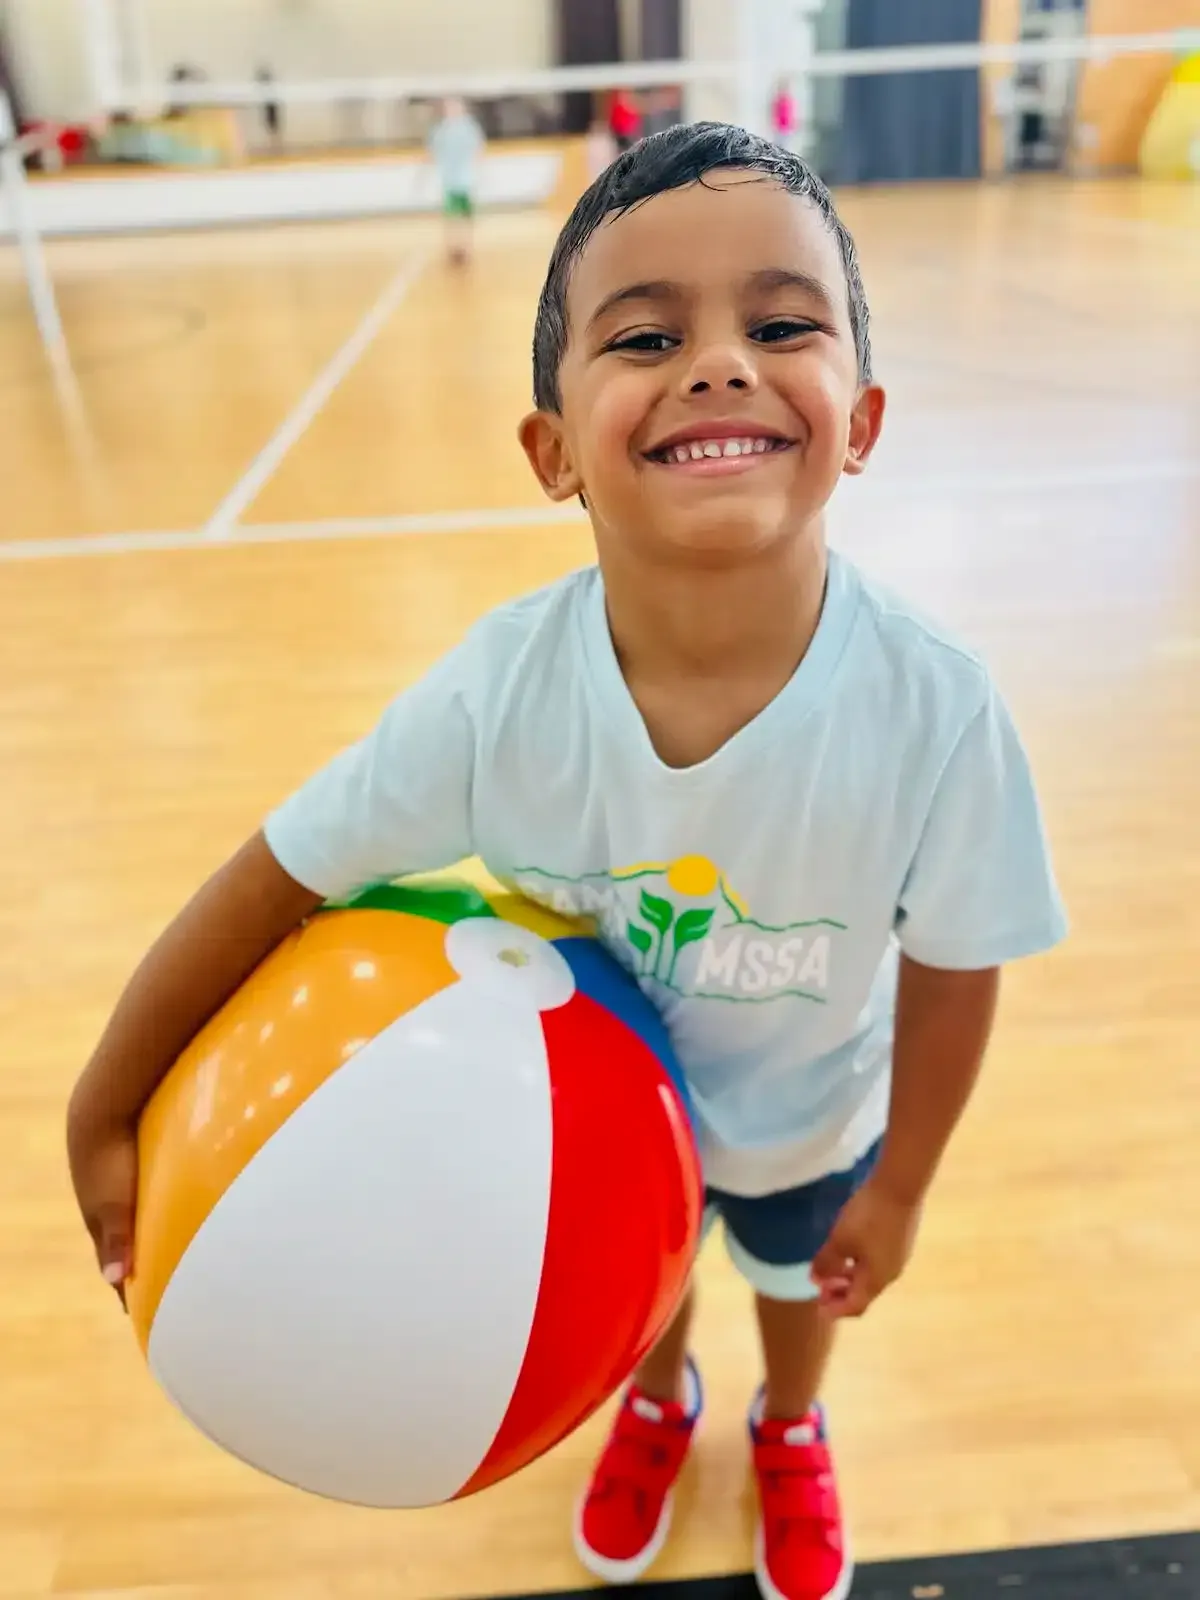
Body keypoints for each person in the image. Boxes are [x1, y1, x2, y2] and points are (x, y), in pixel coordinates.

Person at [67, 123, 1067, 1600]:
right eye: (647, 333)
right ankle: (654, 1397)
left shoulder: (934, 704)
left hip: (810, 1123)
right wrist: (108, 1104)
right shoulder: (497, 701)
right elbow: (279, 873)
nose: (719, 362)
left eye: (780, 324)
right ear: (551, 450)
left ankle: (790, 1418)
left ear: (859, 415)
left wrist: (904, 1184)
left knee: (802, 1290)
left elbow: (958, 957)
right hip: (592, 1148)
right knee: (638, 1295)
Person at [427, 95, 484, 265]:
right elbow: (432, 152)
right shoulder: (440, 130)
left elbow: (478, 149)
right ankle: (452, 247)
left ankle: (466, 247)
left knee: (466, 216)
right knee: (451, 216)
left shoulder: (469, 128)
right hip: (449, 181)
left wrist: (481, 172)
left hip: (465, 180)